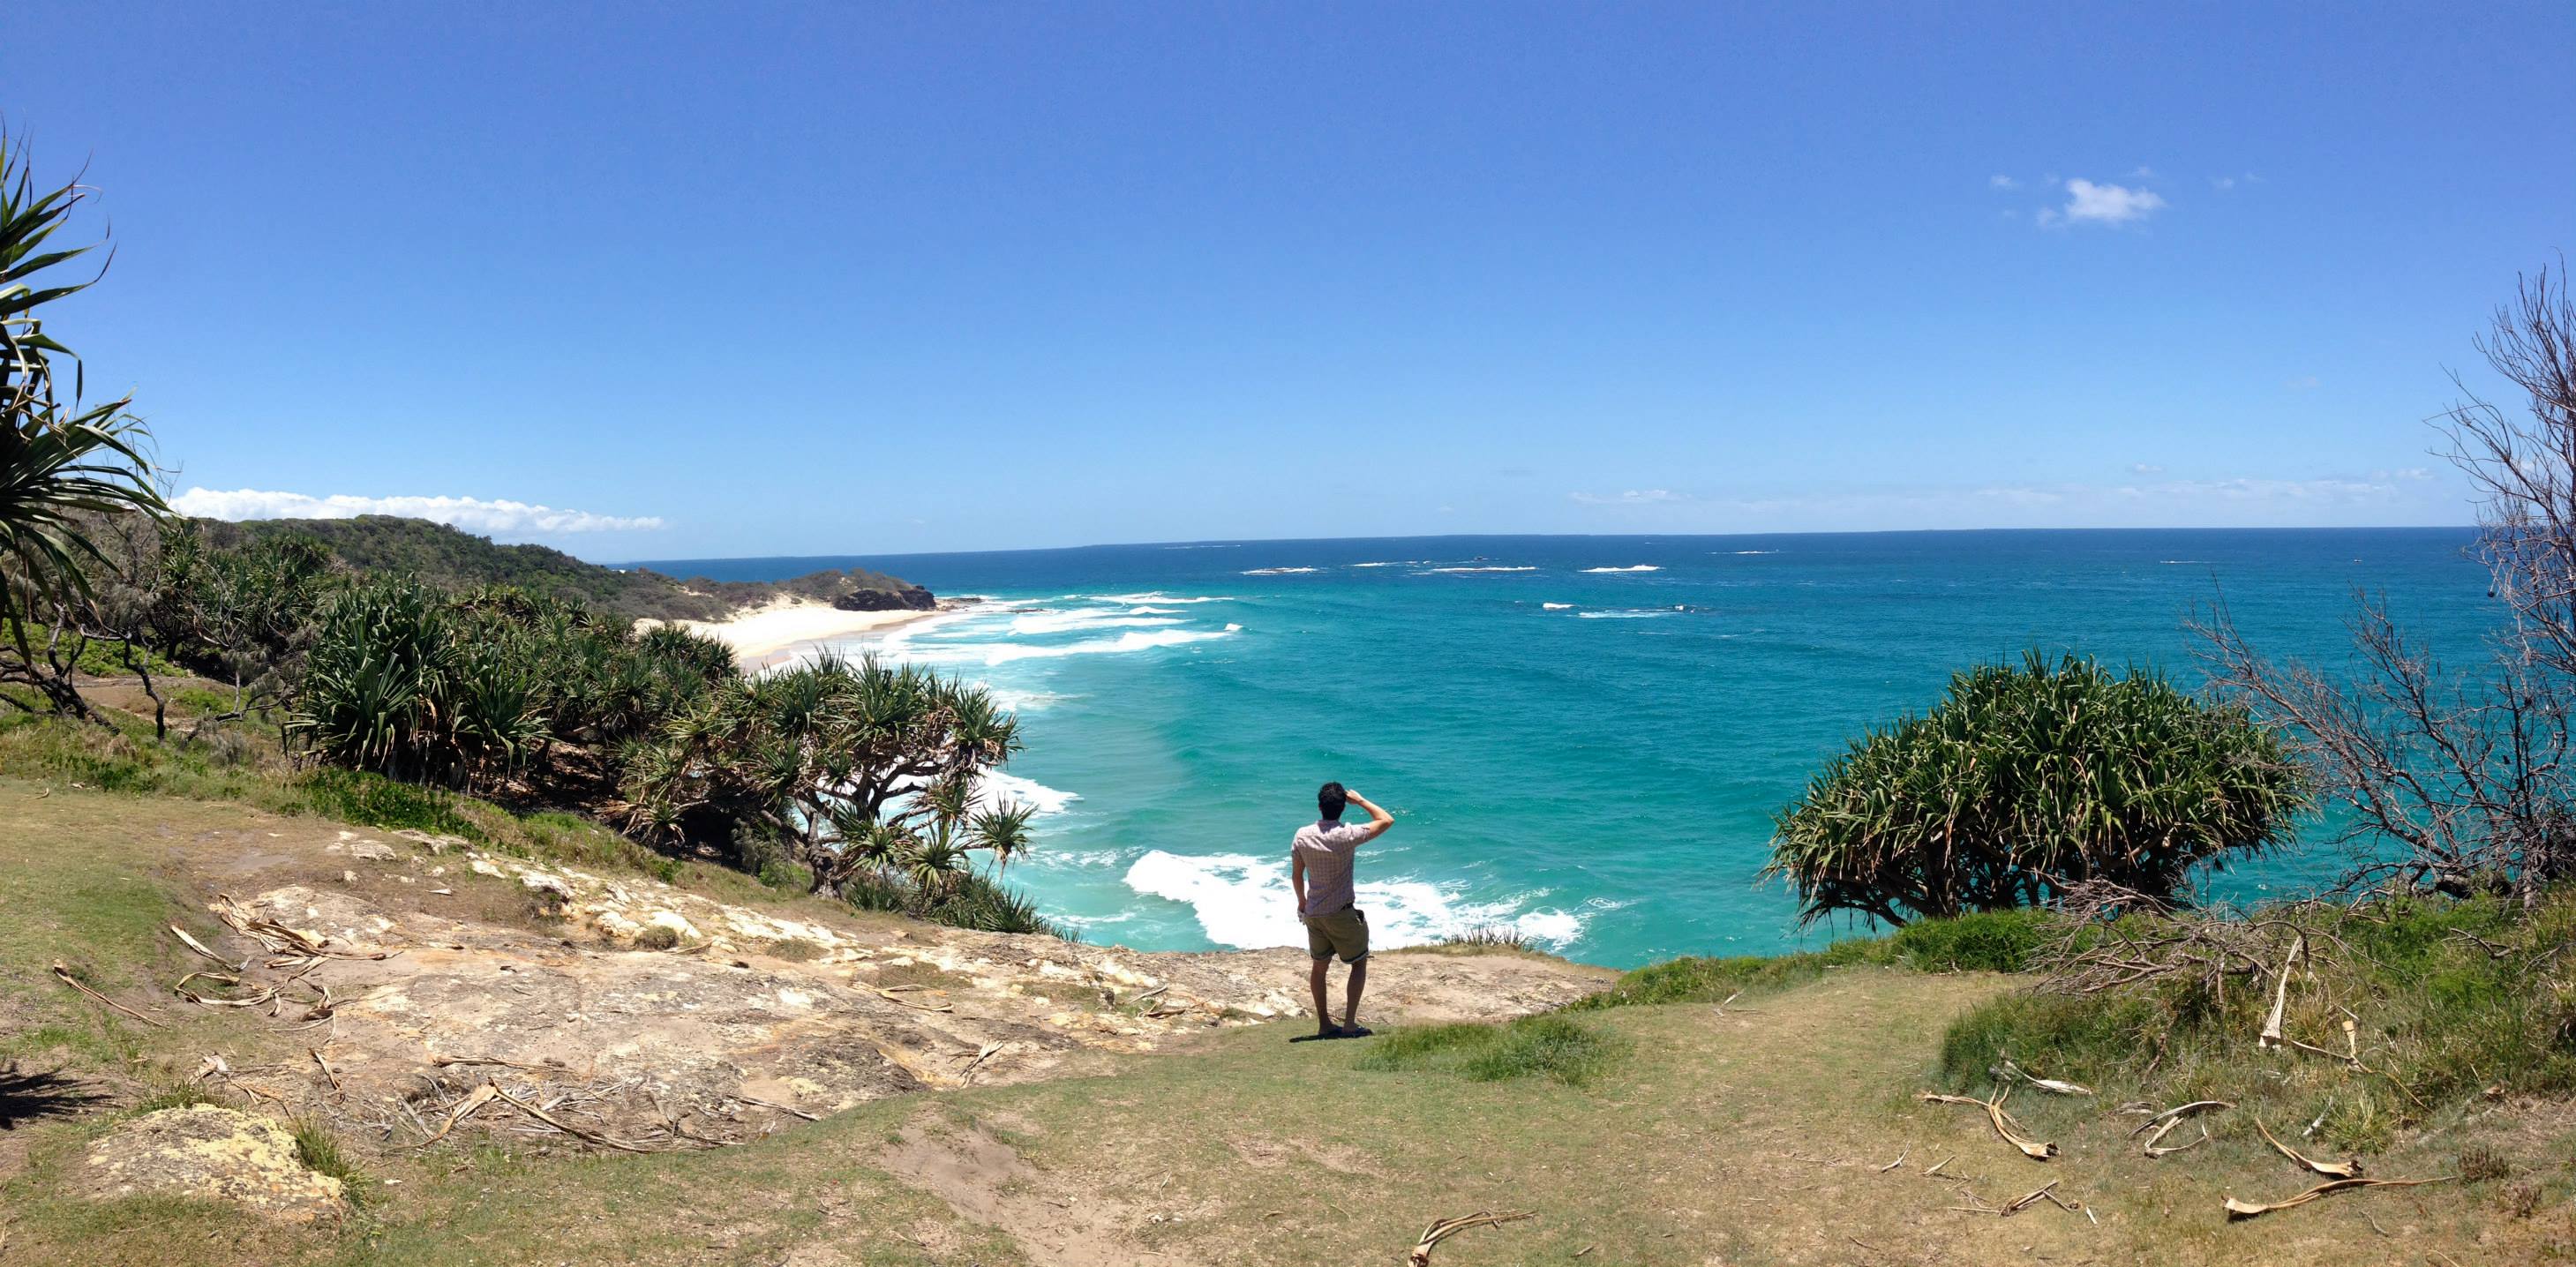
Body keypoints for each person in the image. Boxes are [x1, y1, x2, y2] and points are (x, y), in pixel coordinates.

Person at [1290, 780, 1393, 1038]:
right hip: (1341, 912)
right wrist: (1360, 800)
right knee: (1358, 963)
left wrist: (1302, 904)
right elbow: (1386, 820)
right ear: (1342, 808)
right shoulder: (1346, 835)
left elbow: (1296, 875)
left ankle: (1324, 1024)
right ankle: (1348, 1024)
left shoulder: (1302, 835)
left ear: (1319, 806)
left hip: (1313, 913)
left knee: (1319, 967)